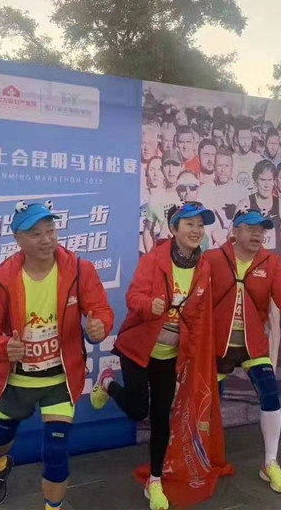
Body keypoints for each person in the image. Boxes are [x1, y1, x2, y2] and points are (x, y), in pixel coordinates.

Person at [0, 201, 114, 509]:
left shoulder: (79, 269)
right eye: (36, 233)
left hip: (59, 380)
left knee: (55, 452)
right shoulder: (2, 278)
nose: (47, 239)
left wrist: (100, 327)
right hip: (17, 379)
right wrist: (3, 347)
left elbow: (101, 311)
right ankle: (0, 466)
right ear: (18, 238)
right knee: (1, 438)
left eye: (51, 230)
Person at [91, 202, 229, 510]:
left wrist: (191, 356)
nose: (196, 231)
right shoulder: (154, 259)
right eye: (189, 224)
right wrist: (148, 305)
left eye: (200, 225)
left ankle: (155, 479)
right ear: (174, 228)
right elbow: (133, 297)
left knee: (160, 414)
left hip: (169, 354)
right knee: (138, 409)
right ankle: (108, 383)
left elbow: (198, 316)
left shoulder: (204, 267)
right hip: (138, 348)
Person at [205, 209, 281, 494]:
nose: (257, 234)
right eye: (251, 228)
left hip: (253, 344)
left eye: (262, 229)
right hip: (217, 345)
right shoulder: (213, 259)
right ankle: (202, 459)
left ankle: (270, 463)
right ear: (235, 231)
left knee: (270, 394)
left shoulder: (271, 261)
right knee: (207, 405)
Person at [237, 161, 281, 255]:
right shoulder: (245, 203)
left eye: (269, 180)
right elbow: (232, 233)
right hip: (252, 259)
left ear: (274, 182)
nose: (266, 185)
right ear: (255, 181)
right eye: (262, 180)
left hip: (274, 260)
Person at [200, 148, 246, 247]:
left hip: (234, 245)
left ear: (232, 168)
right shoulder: (204, 190)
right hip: (211, 246)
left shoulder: (241, 192)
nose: (223, 170)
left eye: (226, 166)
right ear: (214, 167)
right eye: (220, 165)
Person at [143, 151, 183, 252]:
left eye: (175, 165)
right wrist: (151, 256)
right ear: (162, 169)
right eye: (167, 165)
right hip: (166, 253)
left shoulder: (191, 192)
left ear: (182, 167)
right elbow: (147, 230)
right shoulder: (156, 198)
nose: (171, 170)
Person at [233, 124, 262, 193]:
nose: (246, 142)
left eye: (248, 138)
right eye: (242, 138)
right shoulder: (231, 159)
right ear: (236, 139)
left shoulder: (258, 160)